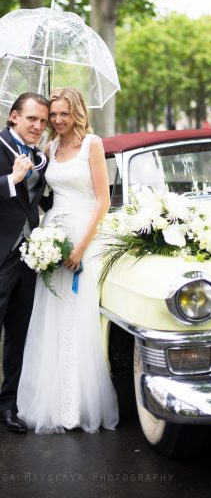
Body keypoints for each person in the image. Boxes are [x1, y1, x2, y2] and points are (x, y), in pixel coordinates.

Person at [17, 87, 119, 434]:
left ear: (77, 112)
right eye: (53, 115)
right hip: (52, 234)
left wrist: (79, 249)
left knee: (76, 317)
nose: (57, 120)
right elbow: (41, 193)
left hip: (83, 235)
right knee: (50, 318)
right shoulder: (49, 147)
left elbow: (103, 201)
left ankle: (74, 407)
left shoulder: (93, 144)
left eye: (63, 113)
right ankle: (48, 402)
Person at [0, 93, 50, 433]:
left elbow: (41, 199)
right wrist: (11, 180)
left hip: (29, 257)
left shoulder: (38, 156)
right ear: (14, 117)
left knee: (19, 335)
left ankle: (8, 406)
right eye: (32, 118)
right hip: (0, 255)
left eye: (43, 121)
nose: (38, 126)